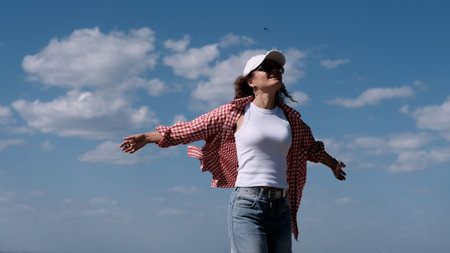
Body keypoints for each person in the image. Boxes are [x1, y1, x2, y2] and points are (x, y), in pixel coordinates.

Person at [120, 50, 346, 253]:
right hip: (248, 205)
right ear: (251, 81)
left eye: (278, 68)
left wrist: (333, 164)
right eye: (266, 68)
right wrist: (147, 137)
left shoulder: (291, 119)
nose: (274, 70)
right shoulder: (235, 112)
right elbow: (190, 129)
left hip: (282, 208)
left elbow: (311, 149)